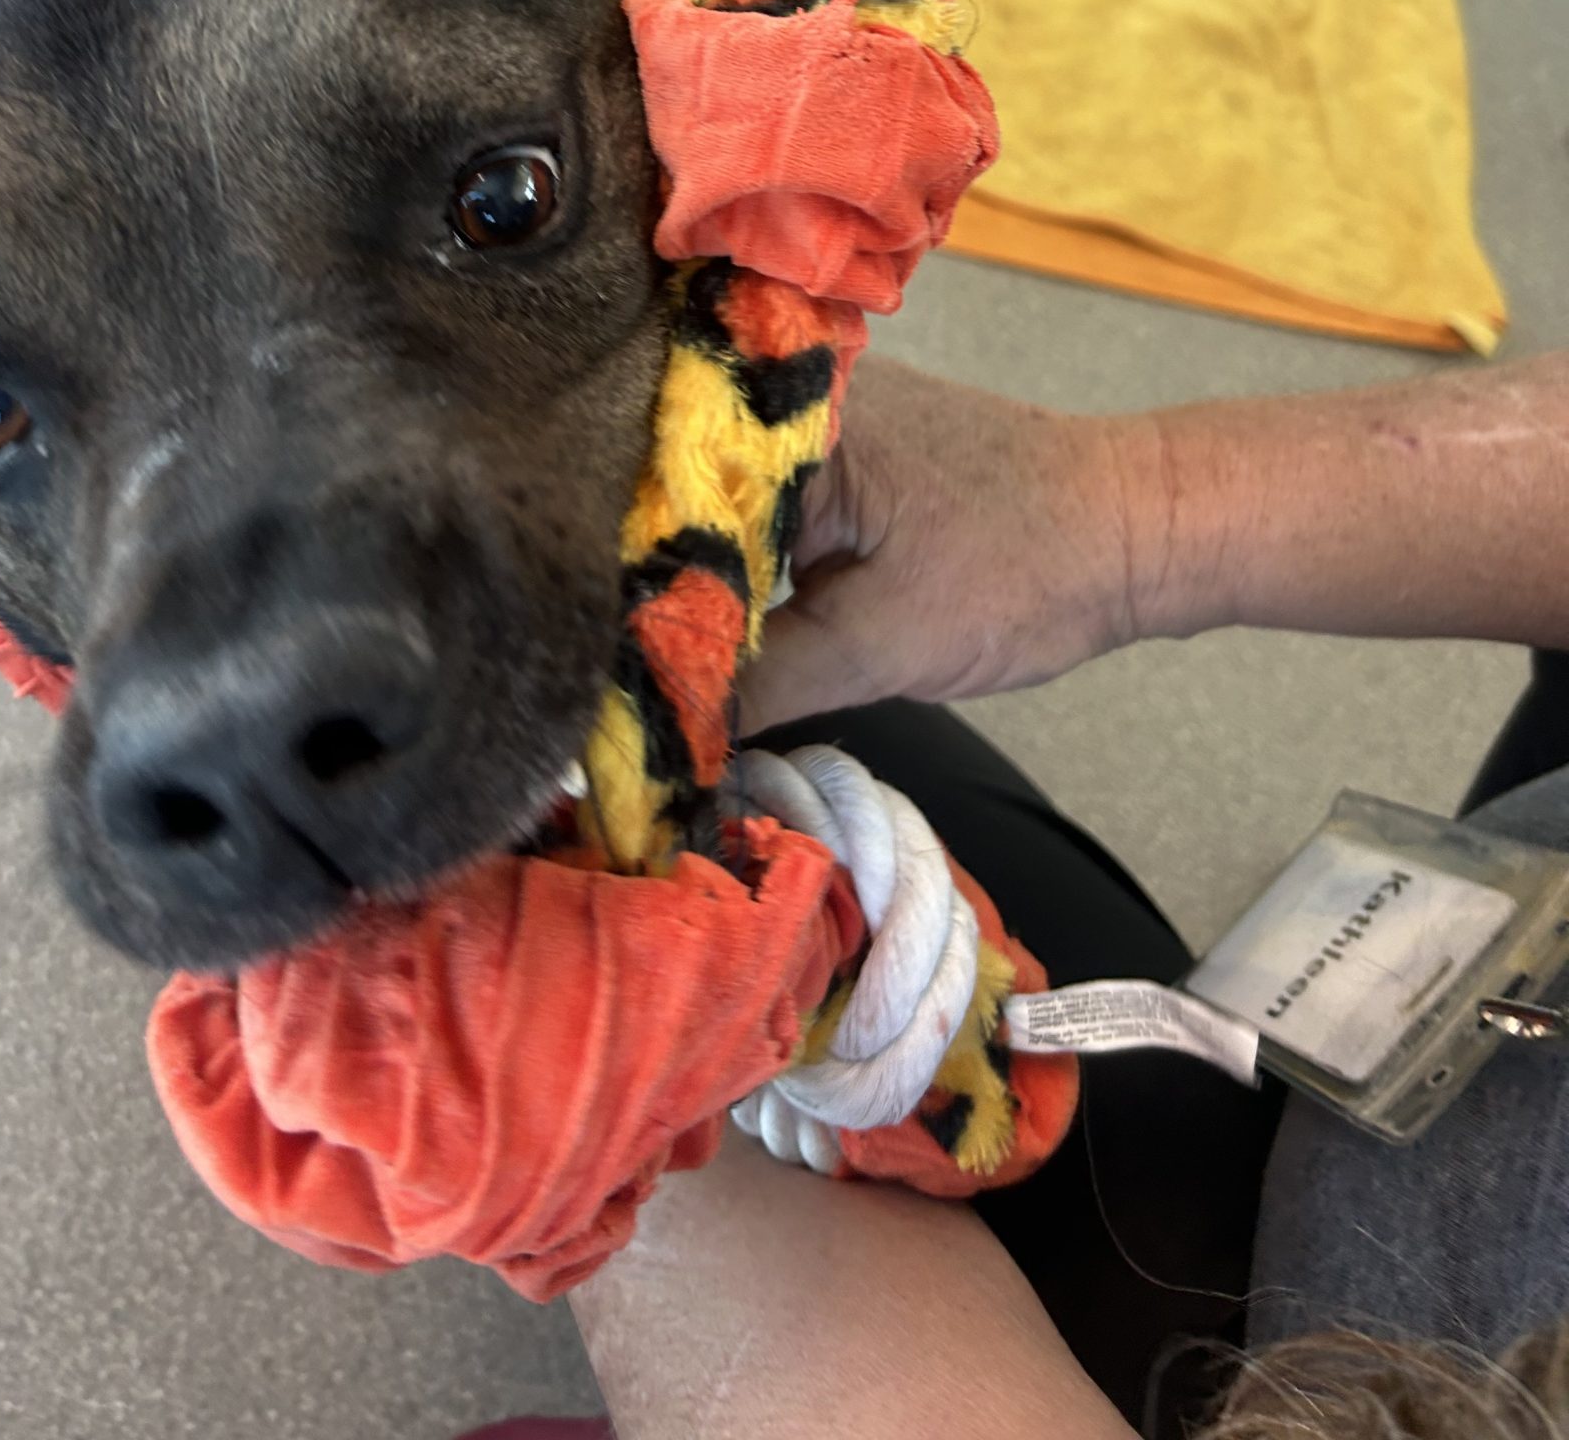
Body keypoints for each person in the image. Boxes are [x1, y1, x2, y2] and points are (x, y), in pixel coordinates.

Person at [488, 350, 1569, 1440]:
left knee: (682, 759)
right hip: (1471, 1024)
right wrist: (1117, 508)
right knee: (775, 661)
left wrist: (620, 1017)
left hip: (1258, 1368)